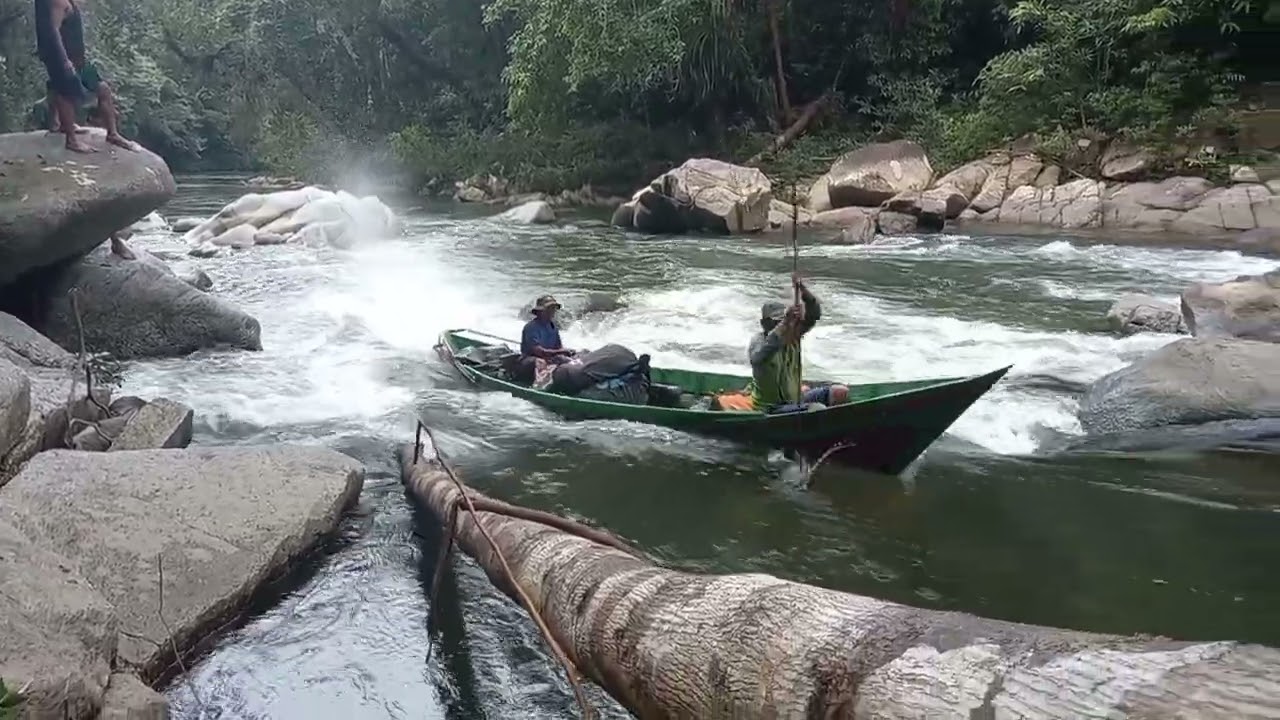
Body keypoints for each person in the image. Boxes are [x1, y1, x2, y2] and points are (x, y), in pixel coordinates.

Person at [35, 0, 137, 153]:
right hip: (63, 59)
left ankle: (113, 134)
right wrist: (63, 60)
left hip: (78, 59)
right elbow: (53, 32)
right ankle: (71, 140)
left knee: (103, 88)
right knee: (65, 94)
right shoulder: (57, 3)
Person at [743, 273, 848, 412]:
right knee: (817, 408)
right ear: (764, 324)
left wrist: (803, 290)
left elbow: (814, 314)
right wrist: (785, 323)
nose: (778, 325)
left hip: (796, 400)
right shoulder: (760, 341)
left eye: (780, 321)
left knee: (840, 391)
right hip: (772, 408)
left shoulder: (794, 335)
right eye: (774, 322)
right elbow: (758, 357)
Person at [516, 295, 575, 383]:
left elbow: (558, 347)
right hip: (530, 361)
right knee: (539, 361)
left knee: (571, 360)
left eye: (554, 309)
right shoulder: (531, 327)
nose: (553, 311)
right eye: (549, 309)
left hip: (548, 358)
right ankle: (539, 385)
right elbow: (538, 351)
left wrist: (567, 354)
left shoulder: (552, 327)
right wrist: (560, 352)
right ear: (540, 311)